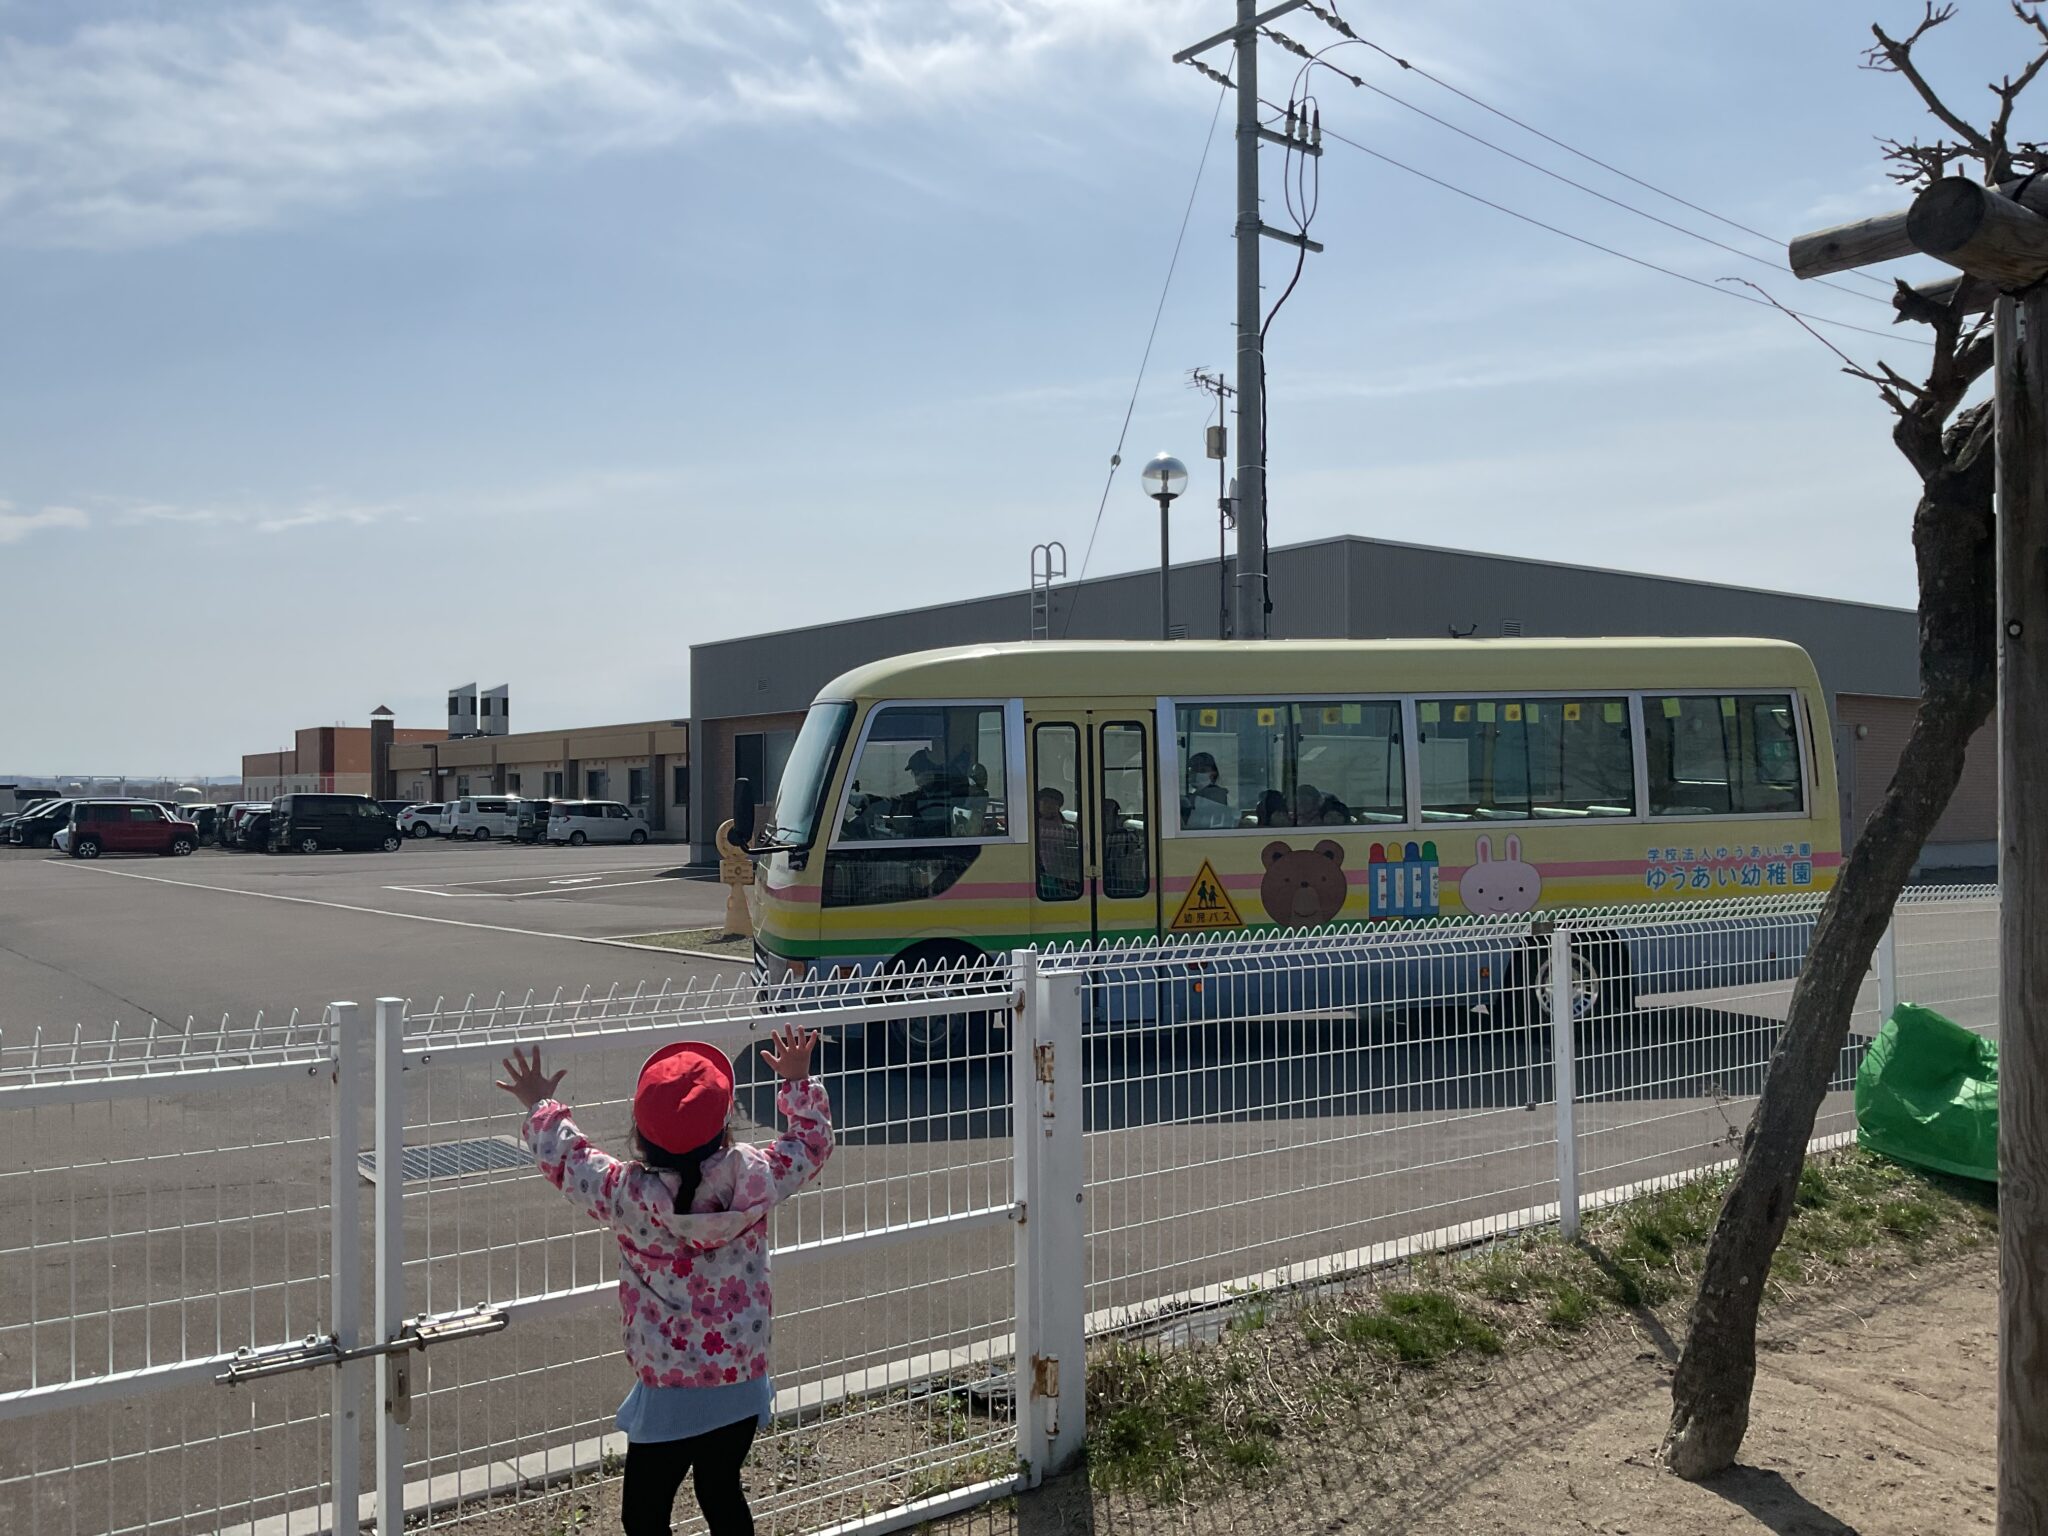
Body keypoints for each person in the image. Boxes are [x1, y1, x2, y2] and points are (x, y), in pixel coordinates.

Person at [497, 1026, 833, 1536]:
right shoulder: (753, 1175)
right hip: (740, 1378)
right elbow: (810, 1143)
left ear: (639, 1131)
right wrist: (797, 1082)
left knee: (645, 1514)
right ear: (725, 1127)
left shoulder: (625, 1193)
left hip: (669, 1385)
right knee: (721, 1489)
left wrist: (541, 1102)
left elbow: (568, 1159)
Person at [1035, 786, 1080, 898]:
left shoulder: (1069, 827)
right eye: (1045, 801)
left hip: (1063, 873)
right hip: (1040, 873)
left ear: (1059, 806)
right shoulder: (1031, 825)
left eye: (1054, 803)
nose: (1049, 806)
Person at [1181, 752, 1232, 830]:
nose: (1196, 773)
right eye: (1192, 769)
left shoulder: (1216, 793)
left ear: (1214, 773)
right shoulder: (1194, 795)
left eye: (1202, 770)